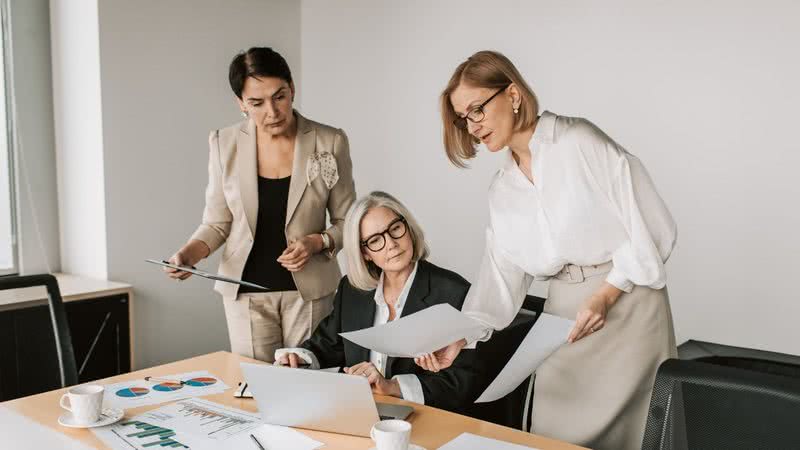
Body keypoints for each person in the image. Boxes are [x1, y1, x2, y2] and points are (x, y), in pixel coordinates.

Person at [417, 50, 678, 449]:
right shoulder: (502, 189)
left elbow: (654, 226)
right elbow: (500, 280)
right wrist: (461, 338)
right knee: (551, 434)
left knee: (637, 436)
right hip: (566, 316)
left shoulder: (578, 141)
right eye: (464, 118)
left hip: (630, 308)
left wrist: (607, 295)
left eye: (477, 110)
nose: (473, 126)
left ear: (514, 95)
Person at [164, 47, 356, 363]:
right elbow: (217, 222)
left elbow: (348, 219)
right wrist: (188, 254)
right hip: (244, 293)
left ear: (292, 89)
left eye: (279, 96)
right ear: (241, 103)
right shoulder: (223, 142)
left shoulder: (329, 140)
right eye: (257, 102)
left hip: (310, 293)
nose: (272, 111)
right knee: (255, 391)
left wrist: (317, 241)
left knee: (310, 384)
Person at [275, 191, 477, 412]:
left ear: (408, 228)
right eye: (375, 240)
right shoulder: (352, 290)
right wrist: (299, 359)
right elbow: (326, 346)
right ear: (365, 253)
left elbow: (463, 382)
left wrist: (392, 386)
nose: (391, 244)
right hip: (359, 412)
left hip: (425, 418)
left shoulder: (454, 292)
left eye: (395, 229)